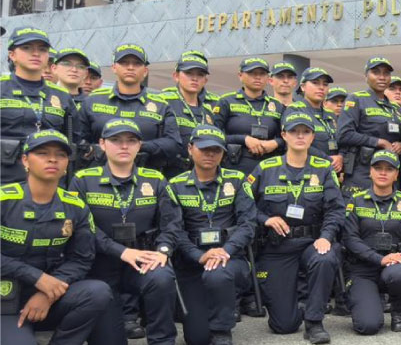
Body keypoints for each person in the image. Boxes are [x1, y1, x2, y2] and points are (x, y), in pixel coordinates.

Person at [69, 118, 183, 344]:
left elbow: (172, 222)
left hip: (142, 259)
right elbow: (82, 229)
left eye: (131, 141)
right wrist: (119, 251)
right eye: (116, 140)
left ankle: (162, 340)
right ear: (102, 144)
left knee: (162, 277)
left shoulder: (156, 180)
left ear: (139, 145)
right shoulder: (83, 180)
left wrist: (163, 251)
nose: (124, 146)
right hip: (99, 265)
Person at [0, 130, 113, 345]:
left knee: (97, 292)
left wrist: (48, 293)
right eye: (42, 153)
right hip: (4, 300)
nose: (52, 159)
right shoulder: (3, 199)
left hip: (48, 296)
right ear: (25, 160)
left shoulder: (75, 206)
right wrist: (37, 277)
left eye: (61, 155)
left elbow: (81, 259)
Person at [245, 112, 343, 343]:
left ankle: (314, 321)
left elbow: (335, 209)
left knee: (325, 257)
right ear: (283, 135)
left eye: (306, 132)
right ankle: (295, 307)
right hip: (277, 247)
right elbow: (244, 206)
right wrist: (264, 219)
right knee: (283, 326)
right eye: (294, 131)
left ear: (312, 137)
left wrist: (327, 236)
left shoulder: (324, 168)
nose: (300, 136)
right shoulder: (265, 168)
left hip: (312, 241)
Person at [166, 125, 257, 345]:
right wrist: (198, 255)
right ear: (190, 149)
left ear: (223, 153)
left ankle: (221, 330)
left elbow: (248, 224)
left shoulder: (236, 179)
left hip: (230, 258)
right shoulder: (175, 185)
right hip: (192, 263)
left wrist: (225, 251)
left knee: (217, 274)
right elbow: (174, 231)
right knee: (196, 339)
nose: (210, 154)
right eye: (204, 148)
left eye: (216, 150)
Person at [342, 150, 401, 334]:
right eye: (378, 168)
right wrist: (378, 259)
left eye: (389, 169)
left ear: (396, 174)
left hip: (393, 265)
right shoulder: (356, 201)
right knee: (367, 326)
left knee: (400, 275)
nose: (383, 173)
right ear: (370, 172)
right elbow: (350, 239)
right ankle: (372, 299)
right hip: (362, 269)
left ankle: (399, 312)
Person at [74, 43, 182, 174]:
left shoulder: (161, 105)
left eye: (137, 63)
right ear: (114, 68)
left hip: (145, 179)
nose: (130, 67)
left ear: (145, 71)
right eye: (124, 63)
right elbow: (77, 139)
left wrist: (139, 146)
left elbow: (174, 144)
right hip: (97, 179)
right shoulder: (92, 101)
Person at [1, 27, 78, 184]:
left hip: (50, 183)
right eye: (27, 48)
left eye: (42, 49)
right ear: (12, 55)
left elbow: (74, 139)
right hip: (5, 180)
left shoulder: (62, 96)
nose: (36, 54)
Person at [337, 57, 401, 194]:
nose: (382, 77)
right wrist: (379, 142)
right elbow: (344, 134)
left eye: (386, 74)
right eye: (376, 73)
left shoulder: (395, 107)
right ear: (366, 76)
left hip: (391, 171)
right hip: (362, 169)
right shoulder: (356, 99)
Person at [212, 58, 285, 174]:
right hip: (234, 168)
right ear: (240, 76)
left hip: (269, 169)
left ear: (268, 78)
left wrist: (275, 143)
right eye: (252, 73)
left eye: (262, 73)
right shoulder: (226, 101)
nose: (258, 77)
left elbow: (289, 137)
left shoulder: (277, 105)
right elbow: (213, 135)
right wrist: (244, 139)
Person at [160, 54, 220, 178]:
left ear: (205, 80)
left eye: (200, 75)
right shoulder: (163, 101)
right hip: (168, 173)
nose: (195, 78)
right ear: (176, 76)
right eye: (189, 73)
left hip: (201, 176)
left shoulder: (209, 110)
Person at [284, 68, 342, 174]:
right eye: (315, 83)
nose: (321, 88)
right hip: (307, 170)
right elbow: (297, 142)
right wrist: (328, 159)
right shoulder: (295, 109)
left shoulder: (330, 114)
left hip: (331, 171)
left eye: (325, 84)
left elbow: (342, 139)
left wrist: (340, 157)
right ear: (302, 87)